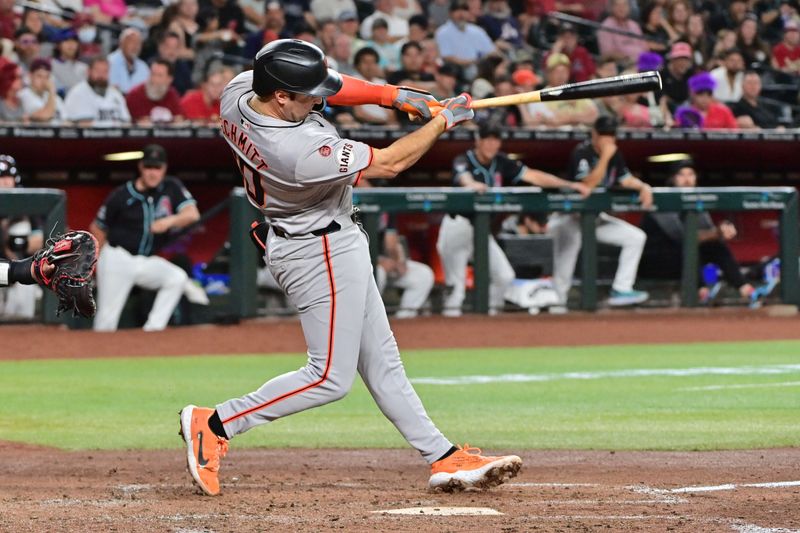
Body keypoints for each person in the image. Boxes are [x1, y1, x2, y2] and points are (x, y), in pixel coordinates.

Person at [179, 39, 521, 498]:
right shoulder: (296, 149)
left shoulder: (240, 92)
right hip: (315, 250)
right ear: (281, 96)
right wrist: (443, 121)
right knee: (329, 378)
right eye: (307, 95)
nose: (319, 100)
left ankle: (442, 457)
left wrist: (393, 96)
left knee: (383, 362)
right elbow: (391, 163)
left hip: (324, 238)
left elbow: (334, 88)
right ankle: (216, 422)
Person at [437, 123, 589, 317]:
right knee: (456, 288)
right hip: (457, 226)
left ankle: (487, 322)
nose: (491, 144)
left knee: (504, 276)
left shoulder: (501, 161)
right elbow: (462, 176)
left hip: (480, 230)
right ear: (478, 140)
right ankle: (451, 336)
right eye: (487, 139)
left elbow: (533, 176)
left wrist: (569, 185)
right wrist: (472, 184)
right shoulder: (464, 159)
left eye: (495, 140)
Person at [89, 144, 206, 332]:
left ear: (164, 168)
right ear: (141, 167)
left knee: (176, 278)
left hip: (145, 260)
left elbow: (192, 214)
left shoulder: (171, 187)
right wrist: (97, 261)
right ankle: (97, 356)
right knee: (106, 321)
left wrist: (168, 222)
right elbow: (98, 227)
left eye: (157, 168)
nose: (153, 173)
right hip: (118, 258)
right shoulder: (122, 194)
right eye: (149, 167)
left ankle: (153, 331)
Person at [547, 116, 651, 309]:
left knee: (635, 237)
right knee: (565, 262)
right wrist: (605, 156)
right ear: (594, 134)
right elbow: (588, 184)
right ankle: (557, 304)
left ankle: (621, 288)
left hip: (594, 218)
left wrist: (644, 186)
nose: (607, 139)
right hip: (569, 217)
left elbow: (625, 179)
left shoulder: (614, 154)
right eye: (604, 134)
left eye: (611, 134)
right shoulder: (582, 152)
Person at [639, 159, 756, 303]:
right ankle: (701, 292)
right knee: (688, 248)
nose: (687, 179)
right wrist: (717, 232)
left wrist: (723, 228)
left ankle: (745, 289)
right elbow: (684, 238)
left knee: (717, 247)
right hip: (653, 262)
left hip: (680, 258)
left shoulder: (696, 200)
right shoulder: (662, 200)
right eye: (681, 175)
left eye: (691, 174)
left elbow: (709, 232)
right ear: (672, 179)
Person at [0, 155, 43, 319]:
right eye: (0, 177)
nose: (5, 181)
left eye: (8, 176)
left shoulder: (26, 200)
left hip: (19, 272)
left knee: (21, 225)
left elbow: (41, 240)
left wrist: (18, 244)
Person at [376, 214, 435, 319]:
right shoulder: (356, 210)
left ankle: (404, 319)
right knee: (378, 273)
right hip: (368, 265)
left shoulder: (389, 211)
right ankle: (369, 320)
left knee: (423, 274)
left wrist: (399, 261)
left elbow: (391, 242)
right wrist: (378, 262)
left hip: (388, 263)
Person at [435, 0, 496, 81]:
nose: (461, 14)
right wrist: (471, 62)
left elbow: (492, 51)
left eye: (464, 10)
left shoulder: (477, 31)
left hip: (480, 69)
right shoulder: (442, 32)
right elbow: (447, 57)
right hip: (456, 71)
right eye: (457, 10)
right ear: (450, 13)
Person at [63, 56, 131, 126]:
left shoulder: (115, 94)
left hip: (117, 136)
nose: (101, 75)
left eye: (105, 71)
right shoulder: (77, 93)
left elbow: (126, 123)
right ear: (88, 71)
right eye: (97, 71)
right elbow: (82, 125)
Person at [125, 59, 184, 124]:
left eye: (159, 76)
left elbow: (179, 120)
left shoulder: (172, 94)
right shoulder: (135, 95)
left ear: (169, 79)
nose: (154, 79)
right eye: (152, 74)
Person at [598, 0, 648, 65]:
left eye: (625, 5)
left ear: (629, 7)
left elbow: (644, 46)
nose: (621, 8)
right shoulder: (606, 27)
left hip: (642, 62)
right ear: (611, 8)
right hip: (623, 65)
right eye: (617, 5)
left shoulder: (634, 24)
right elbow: (607, 54)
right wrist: (628, 58)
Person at [19, 58, 65, 124]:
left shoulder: (54, 97)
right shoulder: (24, 95)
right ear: (30, 76)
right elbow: (44, 116)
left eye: (47, 77)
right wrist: (52, 90)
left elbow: (66, 118)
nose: (44, 81)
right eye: (39, 76)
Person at [108, 28, 149, 94]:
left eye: (138, 43)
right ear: (121, 43)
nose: (135, 46)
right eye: (132, 42)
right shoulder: (109, 62)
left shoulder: (143, 67)